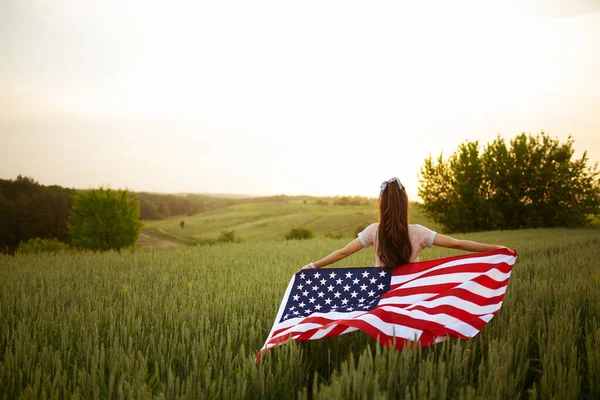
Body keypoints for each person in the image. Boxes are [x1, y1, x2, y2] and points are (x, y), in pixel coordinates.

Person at [301, 177, 506, 270]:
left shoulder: (374, 231)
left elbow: (343, 253)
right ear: (404, 204)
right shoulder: (419, 233)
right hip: (411, 292)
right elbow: (458, 244)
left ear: (382, 205)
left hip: (383, 292)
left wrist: (312, 266)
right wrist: (495, 248)